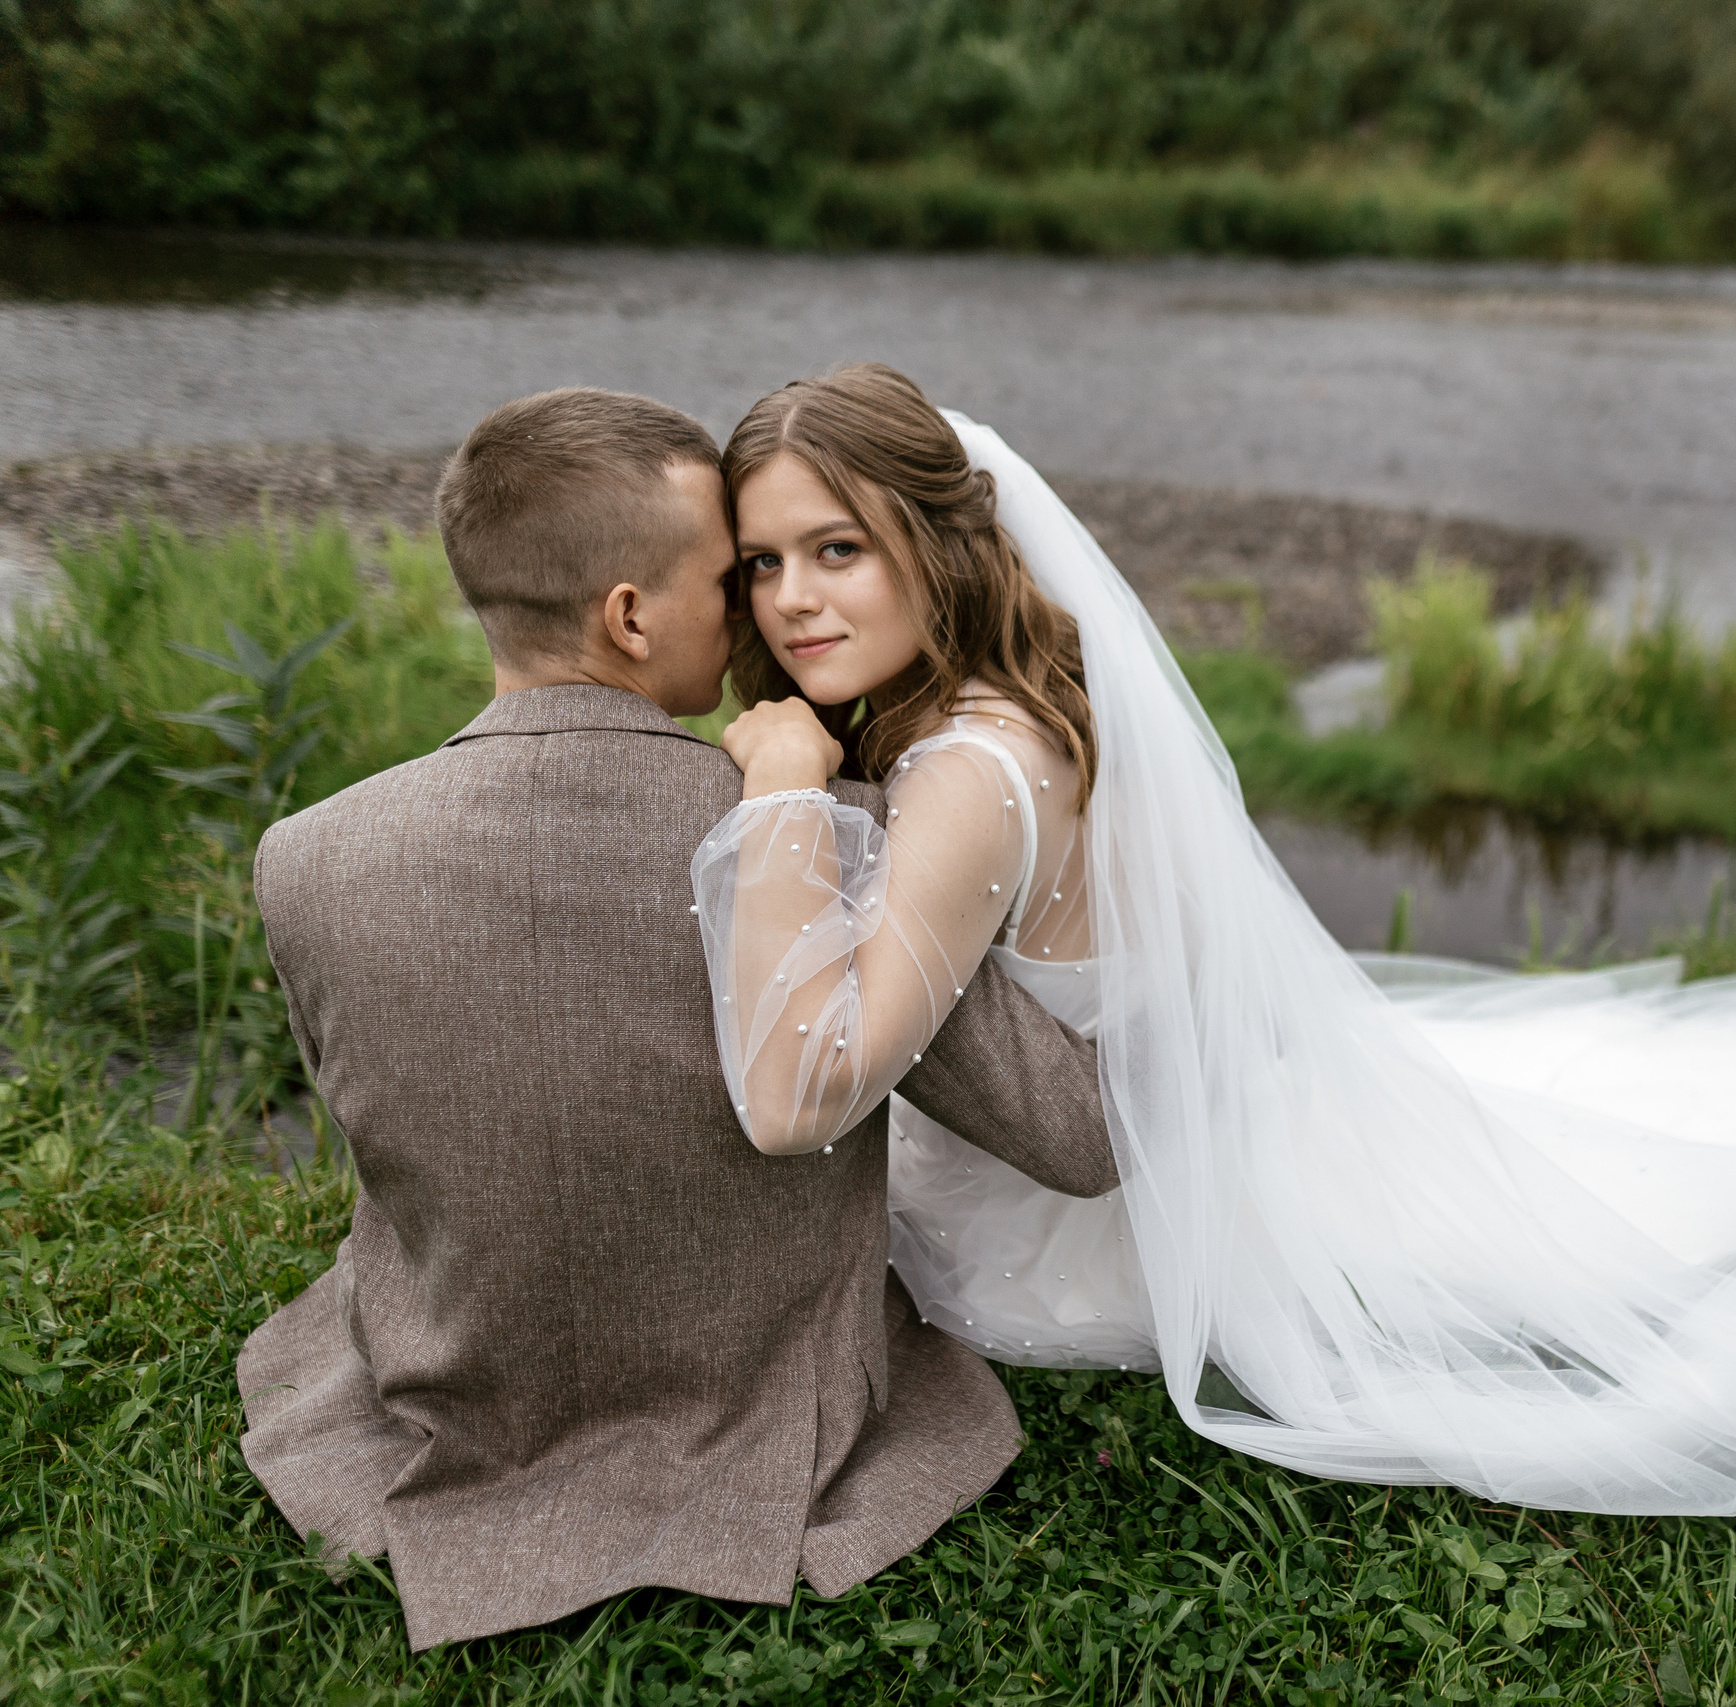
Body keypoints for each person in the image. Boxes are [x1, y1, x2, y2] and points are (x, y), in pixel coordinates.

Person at [694, 362, 1736, 1521]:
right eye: (762, 563)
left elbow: (808, 1086)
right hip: (1181, 1119)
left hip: (1066, 1236)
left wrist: (776, 800)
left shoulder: (958, 775)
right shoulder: (998, 696)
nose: (796, 599)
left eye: (840, 547)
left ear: (940, 542)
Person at [237, 387, 1120, 1652]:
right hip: (773, 1401)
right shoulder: (835, 836)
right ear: (632, 616)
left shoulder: (304, 858)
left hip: (458, 1371)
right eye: (736, 571)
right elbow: (1066, 1128)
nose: (767, 607)